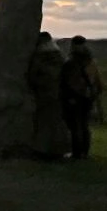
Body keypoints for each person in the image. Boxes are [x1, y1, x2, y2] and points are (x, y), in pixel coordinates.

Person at [27, 30, 72, 159]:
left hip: (44, 94)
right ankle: (60, 150)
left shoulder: (40, 58)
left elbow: (33, 76)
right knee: (57, 122)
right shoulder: (59, 56)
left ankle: (43, 150)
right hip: (59, 94)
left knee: (44, 123)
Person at [60, 36, 101, 161]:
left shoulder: (71, 62)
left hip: (74, 97)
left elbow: (67, 81)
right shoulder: (91, 61)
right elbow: (97, 80)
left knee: (74, 125)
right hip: (87, 97)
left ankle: (76, 153)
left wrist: (68, 96)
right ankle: (85, 152)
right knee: (84, 125)